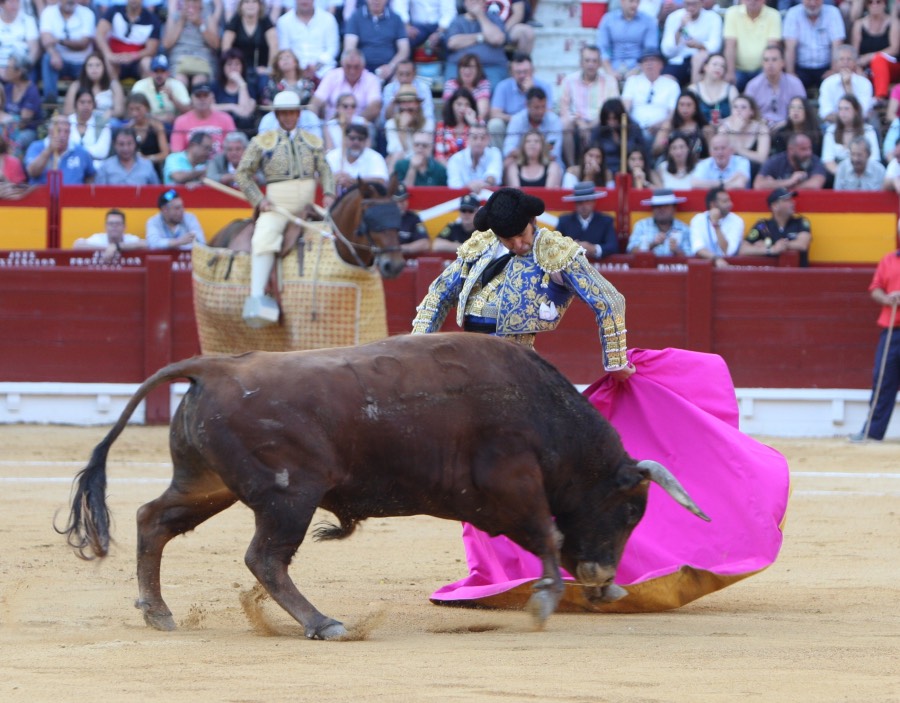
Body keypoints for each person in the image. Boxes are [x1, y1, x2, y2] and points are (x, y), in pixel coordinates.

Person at [412, 187, 633, 380]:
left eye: (521, 234)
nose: (518, 244)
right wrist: (415, 348)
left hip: (514, 361)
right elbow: (439, 293)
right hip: (467, 355)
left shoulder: (555, 250)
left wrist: (616, 362)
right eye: (508, 239)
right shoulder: (481, 244)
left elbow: (609, 299)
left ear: (533, 221)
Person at [235, 90, 335, 326]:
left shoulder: (312, 141)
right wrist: (259, 201)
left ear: (298, 114)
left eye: (292, 113)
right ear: (277, 115)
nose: (288, 117)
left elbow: (325, 169)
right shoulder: (263, 142)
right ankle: (257, 298)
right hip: (277, 208)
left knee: (336, 232)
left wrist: (329, 193)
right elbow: (243, 173)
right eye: (284, 113)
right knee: (263, 238)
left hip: (309, 206)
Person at [848, 247, 900, 442]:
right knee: (883, 380)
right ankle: (872, 432)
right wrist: (887, 298)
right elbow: (876, 288)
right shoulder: (889, 260)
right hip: (892, 329)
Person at [559, 45, 619, 170]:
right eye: (587, 60)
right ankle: (572, 167)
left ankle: (602, 169)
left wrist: (592, 124)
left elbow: (612, 109)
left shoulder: (610, 81)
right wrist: (579, 122)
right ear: (581, 62)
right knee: (565, 124)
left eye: (594, 61)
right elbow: (564, 109)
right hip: (577, 123)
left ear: (600, 64)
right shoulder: (569, 81)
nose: (590, 65)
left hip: (601, 122)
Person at [488, 54, 556, 151]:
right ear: (511, 73)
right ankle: (501, 156)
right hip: (510, 124)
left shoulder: (545, 86)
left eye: (525, 72)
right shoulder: (502, 86)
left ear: (532, 71)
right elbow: (494, 113)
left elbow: (548, 113)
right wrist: (515, 120)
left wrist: (532, 91)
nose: (522, 75)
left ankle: (543, 156)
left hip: (536, 124)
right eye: (518, 72)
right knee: (495, 124)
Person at [38, 0, 96, 105]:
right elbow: (45, 40)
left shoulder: (87, 13)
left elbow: (83, 44)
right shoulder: (48, 12)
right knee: (47, 58)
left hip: (81, 63)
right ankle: (50, 102)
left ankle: (87, 103)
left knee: (93, 64)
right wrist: (53, 53)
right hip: (60, 62)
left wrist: (59, 41)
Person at [443, 0, 508, 88]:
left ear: (484, 3)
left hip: (491, 66)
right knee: (454, 90)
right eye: (471, 0)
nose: (474, 3)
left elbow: (497, 39)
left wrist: (480, 15)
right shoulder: (457, 21)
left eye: (478, 1)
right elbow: (452, 43)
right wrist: (481, 36)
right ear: (465, 3)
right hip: (460, 66)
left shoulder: (494, 19)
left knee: (494, 88)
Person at [309, 48, 383, 126]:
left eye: (356, 67)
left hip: (361, 127)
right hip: (331, 126)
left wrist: (354, 124)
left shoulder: (372, 79)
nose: (352, 71)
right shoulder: (331, 75)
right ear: (342, 65)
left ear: (363, 66)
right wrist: (313, 121)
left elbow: (375, 107)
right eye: (348, 66)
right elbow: (316, 102)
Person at [739, 187, 811, 266]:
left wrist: (778, 245)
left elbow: (802, 244)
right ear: (775, 206)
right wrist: (771, 249)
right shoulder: (763, 225)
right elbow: (743, 249)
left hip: (798, 272)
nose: (792, 202)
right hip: (771, 272)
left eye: (791, 199)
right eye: (787, 200)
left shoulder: (801, 222)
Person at [783, 0, 846, 89]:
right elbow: (790, 48)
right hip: (800, 68)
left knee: (836, 83)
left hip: (826, 67)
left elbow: (837, 45)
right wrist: (791, 73)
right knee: (791, 85)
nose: (813, 3)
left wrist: (834, 70)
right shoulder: (793, 13)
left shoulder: (833, 12)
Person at [743, 46, 807, 131]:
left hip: (789, 128)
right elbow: (746, 112)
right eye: (766, 60)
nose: (770, 64)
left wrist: (786, 123)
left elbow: (803, 110)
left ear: (782, 63)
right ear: (762, 63)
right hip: (760, 129)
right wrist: (760, 122)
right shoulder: (753, 85)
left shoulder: (795, 83)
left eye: (774, 60)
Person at [343, 0, 409, 82]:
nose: (376, 1)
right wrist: (361, 69)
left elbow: (404, 50)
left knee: (401, 80)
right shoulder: (355, 17)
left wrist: (391, 67)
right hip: (362, 69)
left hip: (391, 68)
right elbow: (350, 49)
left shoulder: (396, 19)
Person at [722, 0, 782, 91]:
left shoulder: (774, 15)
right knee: (729, 86)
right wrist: (730, 72)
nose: (753, 1)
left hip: (762, 69)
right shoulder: (732, 13)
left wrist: (767, 72)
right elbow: (730, 46)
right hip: (737, 69)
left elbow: (771, 49)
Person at [660, 0, 723, 86]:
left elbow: (715, 47)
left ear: (702, 3)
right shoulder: (674, 17)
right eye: (687, 4)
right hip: (679, 60)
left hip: (703, 62)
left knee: (700, 58)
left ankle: (694, 90)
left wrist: (699, 45)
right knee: (666, 80)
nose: (690, 7)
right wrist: (681, 27)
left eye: (694, 4)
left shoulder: (713, 18)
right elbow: (667, 51)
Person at [222, 0, 277, 97]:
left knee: (264, 84)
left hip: (261, 69)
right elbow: (226, 46)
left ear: (260, 5)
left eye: (254, 2)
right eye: (246, 2)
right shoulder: (235, 21)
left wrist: (269, 69)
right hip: (239, 69)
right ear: (241, 6)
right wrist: (231, 68)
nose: (250, 5)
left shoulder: (265, 21)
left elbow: (274, 45)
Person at [95, 0, 162, 81]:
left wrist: (133, 56)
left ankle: (143, 88)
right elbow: (99, 34)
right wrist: (109, 54)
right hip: (115, 59)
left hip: (137, 62)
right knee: (107, 59)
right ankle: (114, 86)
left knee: (147, 62)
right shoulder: (114, 10)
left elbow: (151, 50)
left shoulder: (152, 20)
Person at [162, 0, 222, 89]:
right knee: (180, 81)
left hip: (202, 59)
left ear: (201, 3)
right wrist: (181, 21)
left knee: (199, 81)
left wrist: (200, 24)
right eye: (188, 2)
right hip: (179, 59)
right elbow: (167, 44)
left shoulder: (207, 15)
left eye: (194, 2)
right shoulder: (176, 15)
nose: (191, 5)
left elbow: (216, 44)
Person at [275, 0, 340, 82]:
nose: (304, 1)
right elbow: (285, 50)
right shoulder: (283, 21)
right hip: (294, 70)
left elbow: (332, 49)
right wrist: (299, 68)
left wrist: (316, 66)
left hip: (324, 70)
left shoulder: (328, 19)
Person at [621, 51, 681, 138]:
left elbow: (673, 113)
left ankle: (656, 147)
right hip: (635, 128)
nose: (649, 64)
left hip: (661, 129)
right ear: (641, 65)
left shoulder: (671, 84)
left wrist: (659, 124)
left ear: (661, 64)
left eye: (652, 60)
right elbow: (625, 108)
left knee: (667, 126)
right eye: (645, 61)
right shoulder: (632, 81)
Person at [596, 0, 659, 82]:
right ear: (622, 2)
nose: (635, 5)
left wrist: (637, 69)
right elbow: (601, 49)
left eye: (637, 2)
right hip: (612, 65)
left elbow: (650, 51)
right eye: (631, 1)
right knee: (601, 78)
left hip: (638, 67)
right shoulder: (608, 19)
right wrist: (610, 71)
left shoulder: (648, 21)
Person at [501, 86, 563, 168]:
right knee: (508, 162)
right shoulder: (517, 120)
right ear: (527, 105)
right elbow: (508, 150)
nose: (541, 111)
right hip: (522, 161)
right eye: (536, 107)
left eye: (543, 107)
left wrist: (531, 154)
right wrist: (531, 155)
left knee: (554, 166)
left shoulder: (554, 120)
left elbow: (553, 153)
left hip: (547, 162)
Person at [169, 83, 238, 156]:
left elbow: (233, 146)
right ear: (191, 99)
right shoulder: (181, 121)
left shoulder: (226, 119)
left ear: (212, 98)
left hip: (219, 161)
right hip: (191, 162)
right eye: (198, 96)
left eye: (205, 95)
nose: (202, 99)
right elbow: (177, 152)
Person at [25, 115, 95, 185]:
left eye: (66, 131)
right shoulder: (36, 147)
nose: (62, 135)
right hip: (43, 191)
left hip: (72, 192)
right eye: (58, 131)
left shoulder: (81, 151)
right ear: (50, 131)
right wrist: (49, 150)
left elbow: (90, 175)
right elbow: (32, 172)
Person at [821, 95, 881, 176]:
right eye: (840, 109)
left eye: (846, 109)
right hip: (838, 175)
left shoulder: (868, 130)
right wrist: (842, 175)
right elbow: (827, 159)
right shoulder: (831, 131)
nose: (842, 113)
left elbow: (874, 158)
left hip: (865, 174)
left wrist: (859, 175)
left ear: (856, 111)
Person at [556, 181, 617, 259]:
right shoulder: (564, 221)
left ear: (594, 202)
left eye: (587, 201)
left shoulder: (606, 221)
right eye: (580, 202)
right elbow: (554, 246)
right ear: (575, 204)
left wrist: (593, 249)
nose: (584, 206)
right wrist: (569, 247)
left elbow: (613, 246)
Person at [63, 52, 126, 126]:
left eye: (98, 65)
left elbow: (120, 111)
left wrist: (111, 113)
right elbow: (67, 111)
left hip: (107, 122)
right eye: (90, 65)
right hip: (82, 123)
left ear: (104, 67)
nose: (94, 69)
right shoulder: (76, 86)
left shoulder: (113, 85)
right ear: (85, 69)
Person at [590, 97, 648, 176]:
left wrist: (619, 142)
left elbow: (641, 151)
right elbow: (593, 150)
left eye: (615, 119)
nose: (611, 122)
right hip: (605, 171)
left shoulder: (633, 128)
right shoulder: (599, 130)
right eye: (608, 119)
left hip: (629, 171)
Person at [130, 54, 191, 128]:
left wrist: (172, 98)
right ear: (150, 73)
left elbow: (189, 111)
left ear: (168, 73)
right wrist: (159, 119)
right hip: (147, 125)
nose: (159, 75)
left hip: (172, 126)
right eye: (156, 71)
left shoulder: (177, 85)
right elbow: (133, 111)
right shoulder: (140, 85)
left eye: (162, 71)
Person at [818, 45, 874, 122]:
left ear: (855, 62)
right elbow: (825, 113)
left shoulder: (864, 83)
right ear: (836, 63)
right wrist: (844, 119)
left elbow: (863, 112)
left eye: (849, 59)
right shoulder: (827, 83)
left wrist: (848, 86)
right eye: (841, 59)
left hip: (859, 125)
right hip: (834, 124)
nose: (845, 62)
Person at [689, 186, 743, 267]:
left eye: (729, 200)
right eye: (725, 201)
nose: (730, 204)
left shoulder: (737, 221)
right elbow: (698, 248)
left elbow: (728, 251)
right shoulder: (698, 220)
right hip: (704, 267)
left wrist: (716, 225)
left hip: (729, 267)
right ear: (713, 204)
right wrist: (716, 259)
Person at [627, 188, 691, 256]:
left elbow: (690, 256)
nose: (662, 209)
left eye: (666, 206)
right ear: (652, 209)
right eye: (658, 206)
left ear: (674, 208)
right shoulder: (642, 226)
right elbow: (631, 251)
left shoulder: (684, 228)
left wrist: (677, 251)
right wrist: (652, 244)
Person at [326, 122, 389, 190]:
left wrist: (353, 180)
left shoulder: (375, 157)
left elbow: (381, 180)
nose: (356, 142)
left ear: (366, 141)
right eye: (352, 138)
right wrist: (333, 179)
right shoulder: (332, 156)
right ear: (345, 139)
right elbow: (320, 177)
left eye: (360, 139)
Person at [717, 95, 770, 175]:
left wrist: (739, 150)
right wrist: (735, 131)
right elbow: (722, 155)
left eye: (743, 107)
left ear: (751, 112)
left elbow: (762, 158)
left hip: (754, 170)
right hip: (730, 171)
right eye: (735, 107)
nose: (738, 111)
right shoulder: (724, 129)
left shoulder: (761, 128)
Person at [858, 0, 900, 101]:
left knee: (878, 59)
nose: (874, 5)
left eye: (878, 2)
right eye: (870, 2)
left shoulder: (894, 23)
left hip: (891, 66)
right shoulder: (859, 25)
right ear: (866, 5)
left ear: (884, 4)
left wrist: (871, 56)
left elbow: (894, 49)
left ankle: (880, 97)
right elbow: (855, 52)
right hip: (867, 68)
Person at [755, 132, 828, 190]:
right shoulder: (775, 161)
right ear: (791, 149)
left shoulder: (815, 160)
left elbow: (815, 185)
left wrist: (775, 185)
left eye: (809, 148)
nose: (809, 153)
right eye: (803, 149)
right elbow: (758, 185)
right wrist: (790, 181)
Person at [4, 52, 43, 155]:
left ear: (19, 72)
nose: (5, 70)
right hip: (7, 127)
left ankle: (11, 163)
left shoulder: (31, 92)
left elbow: (23, 123)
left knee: (17, 141)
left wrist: (4, 132)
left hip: (26, 131)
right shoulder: (8, 88)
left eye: (8, 67)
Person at [652, 90, 709, 160]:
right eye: (681, 105)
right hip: (672, 164)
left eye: (689, 105)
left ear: (695, 107)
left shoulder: (704, 128)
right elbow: (655, 150)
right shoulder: (669, 126)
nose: (685, 108)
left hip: (699, 163)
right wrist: (666, 141)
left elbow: (712, 152)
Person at [446, 120, 502, 191]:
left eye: (482, 138)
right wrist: (469, 187)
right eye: (475, 137)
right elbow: (454, 186)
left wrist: (482, 184)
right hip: (462, 197)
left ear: (488, 139)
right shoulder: (455, 159)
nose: (479, 142)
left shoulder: (494, 153)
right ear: (468, 138)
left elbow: (494, 175)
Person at [686, 52, 738, 128]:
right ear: (705, 67)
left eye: (722, 66)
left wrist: (723, 122)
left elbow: (737, 114)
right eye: (715, 64)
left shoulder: (731, 90)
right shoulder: (693, 89)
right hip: (698, 130)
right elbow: (686, 114)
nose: (718, 68)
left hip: (725, 130)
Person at [123, 93, 170, 175]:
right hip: (131, 170)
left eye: (138, 109)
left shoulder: (157, 127)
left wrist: (146, 159)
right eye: (131, 109)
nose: (134, 113)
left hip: (153, 169)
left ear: (147, 108)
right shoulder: (127, 129)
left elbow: (165, 153)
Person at [74, 208, 146, 261]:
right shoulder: (98, 238)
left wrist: (117, 247)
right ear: (105, 227)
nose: (114, 226)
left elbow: (146, 244)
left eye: (118, 223)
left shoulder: (130, 239)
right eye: (111, 223)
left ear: (124, 227)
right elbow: (77, 245)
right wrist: (108, 248)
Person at [96, 127, 160, 185]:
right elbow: (98, 191)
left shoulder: (147, 166)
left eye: (129, 144)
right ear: (114, 145)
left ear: (135, 144)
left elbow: (156, 190)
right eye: (121, 144)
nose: (125, 148)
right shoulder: (105, 167)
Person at [213, 50, 259, 133]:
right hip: (219, 129)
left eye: (237, 64)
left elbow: (245, 112)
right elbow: (209, 107)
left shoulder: (250, 86)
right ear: (223, 67)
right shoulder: (215, 85)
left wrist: (241, 84)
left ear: (242, 66)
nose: (233, 67)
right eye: (229, 64)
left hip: (242, 131)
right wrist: (232, 107)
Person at [381, 60, 436, 129]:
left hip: (418, 125)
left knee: (429, 125)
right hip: (396, 126)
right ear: (396, 74)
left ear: (414, 74)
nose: (404, 79)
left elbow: (428, 115)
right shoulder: (389, 88)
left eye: (408, 74)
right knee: (389, 124)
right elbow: (386, 118)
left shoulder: (423, 88)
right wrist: (394, 100)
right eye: (401, 74)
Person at [383, 84, 426, 172]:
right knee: (395, 156)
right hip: (399, 162)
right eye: (403, 102)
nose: (406, 106)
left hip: (421, 162)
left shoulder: (427, 123)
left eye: (410, 101)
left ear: (417, 104)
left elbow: (422, 151)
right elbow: (395, 150)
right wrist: (402, 128)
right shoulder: (390, 124)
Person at [67, 90, 113, 168]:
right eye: (82, 102)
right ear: (75, 104)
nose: (86, 106)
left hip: (95, 166)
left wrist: (75, 151)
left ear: (94, 105)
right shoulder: (67, 121)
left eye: (89, 102)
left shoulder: (103, 122)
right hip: (70, 165)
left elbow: (102, 152)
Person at [442, 52, 492, 122]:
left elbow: (482, 112)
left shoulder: (483, 84)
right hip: (454, 123)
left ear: (478, 70)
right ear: (459, 69)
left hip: (476, 122)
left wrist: (472, 121)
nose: (467, 70)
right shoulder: (451, 84)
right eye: (464, 66)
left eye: (471, 67)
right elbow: (448, 109)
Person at [435, 88, 479, 165]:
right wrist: (453, 170)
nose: (463, 108)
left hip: (472, 167)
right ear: (451, 105)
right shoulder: (441, 126)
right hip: (447, 168)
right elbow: (439, 156)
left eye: (467, 104)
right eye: (459, 104)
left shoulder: (477, 124)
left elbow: (481, 150)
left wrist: (473, 124)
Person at [0, 0, 39, 83]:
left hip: (22, 69)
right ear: (1, 4)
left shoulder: (28, 20)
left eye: (17, 1)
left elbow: (34, 50)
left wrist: (22, 69)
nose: (15, 5)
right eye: (11, 2)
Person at [393, 182, 430, 256]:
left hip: (405, 259)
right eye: (399, 200)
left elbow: (424, 243)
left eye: (405, 199)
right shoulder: (382, 218)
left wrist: (398, 249)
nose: (403, 203)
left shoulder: (413, 218)